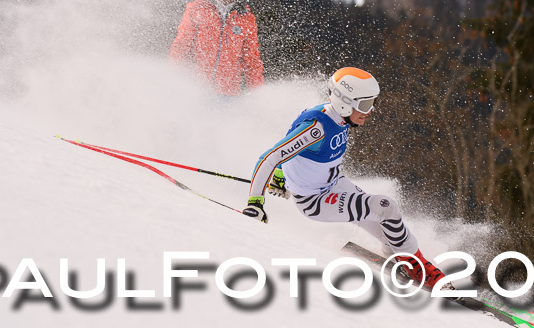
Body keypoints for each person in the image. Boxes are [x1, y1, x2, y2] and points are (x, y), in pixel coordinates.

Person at [242, 67, 451, 290]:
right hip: (315, 201)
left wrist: (282, 176)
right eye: (364, 104)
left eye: (372, 103)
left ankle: (397, 254)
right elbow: (271, 156)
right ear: (344, 102)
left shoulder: (339, 119)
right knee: (385, 206)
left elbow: (290, 147)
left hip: (335, 185)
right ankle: (418, 267)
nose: (369, 111)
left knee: (386, 222)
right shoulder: (317, 128)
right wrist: (255, 203)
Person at [169, 0, 264, 96]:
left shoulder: (246, 18)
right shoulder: (197, 8)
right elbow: (181, 47)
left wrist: (257, 95)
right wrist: (174, 80)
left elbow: (252, 61)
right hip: (196, 92)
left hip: (227, 96)